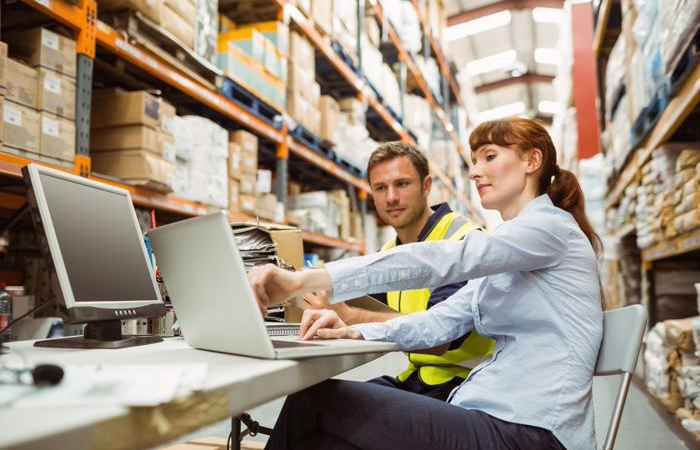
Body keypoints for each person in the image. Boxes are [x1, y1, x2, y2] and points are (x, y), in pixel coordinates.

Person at [249, 117, 604, 450]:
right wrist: (351, 331)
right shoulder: (510, 252)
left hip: (532, 431)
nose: (474, 172)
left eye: (489, 157)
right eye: (474, 161)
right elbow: (438, 322)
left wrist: (302, 280)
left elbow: (439, 259)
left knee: (312, 399)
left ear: (532, 161)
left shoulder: (549, 228)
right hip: (487, 412)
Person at [302, 142, 494, 401]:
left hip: (464, 385)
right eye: (380, 188)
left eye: (402, 184)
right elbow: (366, 303)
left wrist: (347, 315)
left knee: (318, 406)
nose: (391, 197)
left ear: (426, 186)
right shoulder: (390, 250)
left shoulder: (462, 241)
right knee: (311, 399)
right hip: (419, 378)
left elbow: (438, 340)